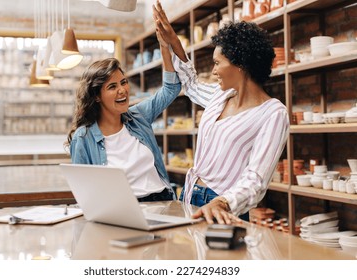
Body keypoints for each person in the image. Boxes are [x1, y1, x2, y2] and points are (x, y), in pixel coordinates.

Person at [153, 0, 289, 224]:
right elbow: (191, 84)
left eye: (217, 63)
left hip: (221, 205)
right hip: (190, 193)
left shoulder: (273, 113)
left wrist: (223, 202)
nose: (214, 70)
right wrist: (172, 42)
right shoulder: (220, 95)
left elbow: (256, 179)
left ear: (241, 65)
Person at [65, 31, 181, 202]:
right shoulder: (83, 138)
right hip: (124, 207)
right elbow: (84, 194)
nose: (122, 90)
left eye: (123, 82)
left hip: (164, 201)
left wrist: (165, 47)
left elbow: (171, 89)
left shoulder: (138, 116)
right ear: (96, 96)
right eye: (112, 86)